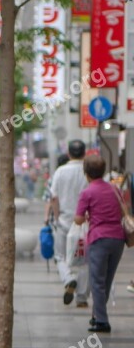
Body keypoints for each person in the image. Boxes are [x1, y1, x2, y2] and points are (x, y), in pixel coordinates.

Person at [74, 155, 127, 333]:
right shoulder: (114, 189)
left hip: (99, 239)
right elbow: (122, 211)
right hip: (118, 239)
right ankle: (98, 315)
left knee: (97, 281)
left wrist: (89, 216)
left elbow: (78, 219)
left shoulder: (87, 192)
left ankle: (102, 321)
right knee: (107, 279)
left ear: (86, 173)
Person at [50, 140, 89, 306]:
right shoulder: (89, 171)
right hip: (85, 223)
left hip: (65, 221)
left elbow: (54, 197)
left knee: (60, 256)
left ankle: (68, 278)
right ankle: (81, 298)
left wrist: (57, 217)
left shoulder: (60, 171)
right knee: (85, 260)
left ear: (68, 154)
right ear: (85, 153)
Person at [43, 154, 69, 225]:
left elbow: (50, 199)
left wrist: (46, 217)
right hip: (72, 217)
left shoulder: (53, 178)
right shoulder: (74, 177)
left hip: (56, 217)